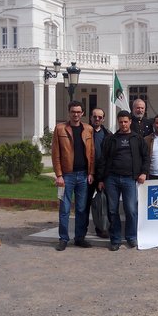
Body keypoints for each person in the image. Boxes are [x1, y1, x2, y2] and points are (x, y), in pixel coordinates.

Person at [97, 110, 149, 251]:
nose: (123, 124)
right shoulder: (111, 139)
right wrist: (101, 179)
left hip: (129, 179)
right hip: (111, 179)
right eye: (121, 122)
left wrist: (144, 172)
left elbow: (146, 157)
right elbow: (103, 159)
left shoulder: (137, 139)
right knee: (112, 210)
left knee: (131, 209)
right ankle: (115, 239)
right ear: (118, 122)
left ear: (130, 122)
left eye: (126, 121)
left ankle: (131, 237)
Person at [51, 100, 95, 251]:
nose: (75, 114)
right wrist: (59, 175)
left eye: (78, 112)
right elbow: (55, 154)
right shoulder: (60, 129)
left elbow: (92, 153)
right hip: (67, 176)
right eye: (73, 112)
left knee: (81, 209)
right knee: (64, 209)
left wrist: (91, 172)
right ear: (69, 112)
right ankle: (63, 238)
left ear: (82, 113)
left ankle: (79, 238)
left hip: (83, 176)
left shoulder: (88, 129)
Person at [85, 107, 112, 238]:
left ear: (103, 119)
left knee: (103, 203)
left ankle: (102, 228)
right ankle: (82, 231)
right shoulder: (84, 132)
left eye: (100, 117)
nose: (97, 119)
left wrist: (103, 177)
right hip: (86, 173)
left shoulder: (108, 135)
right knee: (84, 203)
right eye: (94, 116)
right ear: (90, 117)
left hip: (102, 174)